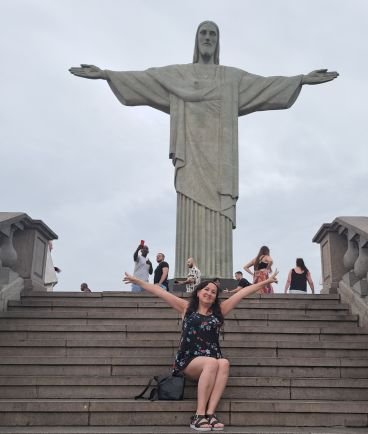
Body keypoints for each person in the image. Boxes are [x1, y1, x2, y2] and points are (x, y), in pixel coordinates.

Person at [69, 21, 339, 280]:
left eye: (212, 34)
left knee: (218, 209)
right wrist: (106, 74)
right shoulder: (179, 75)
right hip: (190, 156)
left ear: (217, 41)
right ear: (197, 41)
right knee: (189, 205)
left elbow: (265, 85)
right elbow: (145, 79)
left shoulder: (231, 78)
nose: (208, 38)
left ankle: (217, 275)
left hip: (221, 162)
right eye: (203, 34)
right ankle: (189, 276)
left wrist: (300, 80)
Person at [122, 269, 278, 431]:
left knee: (223, 363)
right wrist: (138, 281)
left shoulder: (219, 312)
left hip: (212, 362)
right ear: (198, 292)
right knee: (212, 362)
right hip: (188, 361)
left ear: (215, 297)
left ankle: (210, 414)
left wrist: (266, 282)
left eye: (213, 292)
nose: (209, 293)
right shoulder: (186, 308)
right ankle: (198, 415)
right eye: (206, 290)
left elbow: (242, 293)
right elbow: (159, 292)